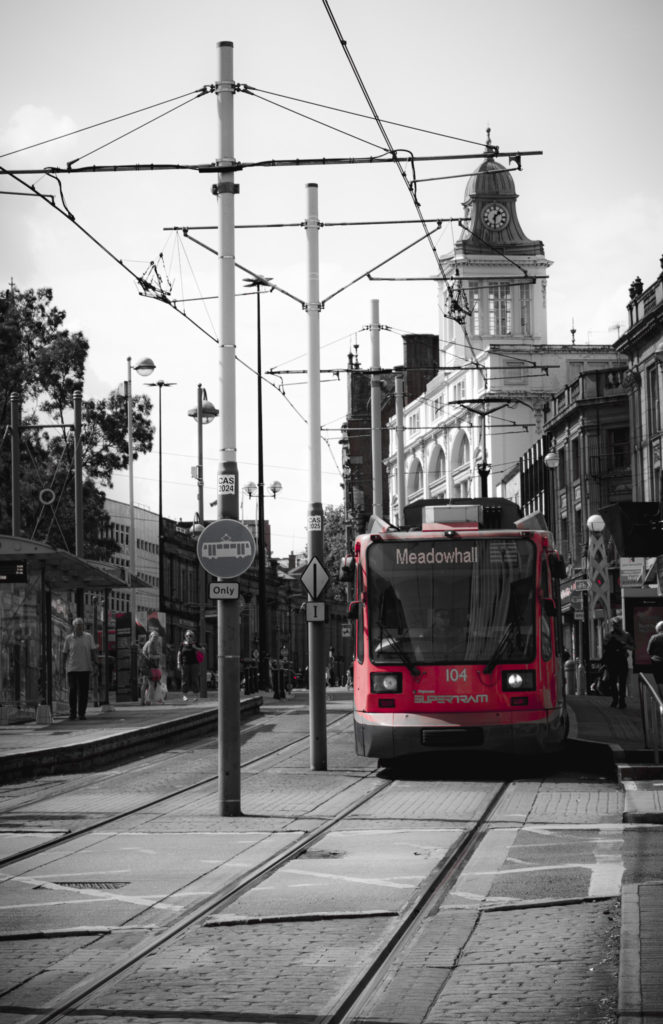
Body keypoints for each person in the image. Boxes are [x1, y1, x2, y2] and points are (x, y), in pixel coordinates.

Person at [62, 618, 97, 721]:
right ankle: (72, 713)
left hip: (85, 668)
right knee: (72, 691)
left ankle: (81, 713)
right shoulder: (68, 639)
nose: (80, 627)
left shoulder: (88, 637)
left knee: (83, 692)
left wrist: (95, 664)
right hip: (72, 668)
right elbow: (64, 653)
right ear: (74, 627)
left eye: (81, 625)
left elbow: (93, 651)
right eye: (78, 626)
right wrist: (63, 666)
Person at [601, 616, 634, 709]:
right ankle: (615, 699)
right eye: (614, 625)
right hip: (612, 661)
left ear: (621, 624)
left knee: (623, 682)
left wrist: (624, 645)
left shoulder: (626, 635)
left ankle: (622, 700)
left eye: (617, 624)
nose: (616, 626)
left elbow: (632, 647)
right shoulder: (608, 635)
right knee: (612, 681)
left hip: (622, 660)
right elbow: (605, 647)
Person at [177, 630, 200, 702]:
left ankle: (196, 696)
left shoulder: (195, 644)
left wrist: (195, 647)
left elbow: (203, 651)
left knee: (194, 679)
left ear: (193, 637)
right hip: (185, 664)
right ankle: (184, 696)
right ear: (185, 636)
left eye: (190, 635)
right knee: (184, 679)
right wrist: (178, 663)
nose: (188, 637)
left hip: (194, 664)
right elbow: (179, 654)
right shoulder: (182, 644)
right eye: (187, 635)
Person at [646, 621, 663, 693]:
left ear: (658, 628)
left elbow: (649, 651)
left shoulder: (654, 637)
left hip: (657, 662)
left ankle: (661, 700)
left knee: (659, 682)